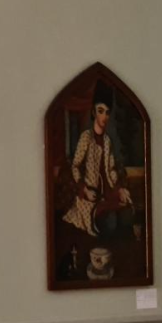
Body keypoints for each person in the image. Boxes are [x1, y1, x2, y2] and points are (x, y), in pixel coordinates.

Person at [62, 99, 131, 238]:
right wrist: (84, 189)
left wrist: (120, 189)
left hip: (108, 192)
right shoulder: (86, 137)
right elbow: (75, 166)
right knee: (109, 225)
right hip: (91, 195)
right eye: (100, 111)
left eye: (107, 113)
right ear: (94, 113)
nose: (104, 116)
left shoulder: (107, 141)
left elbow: (111, 170)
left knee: (126, 216)